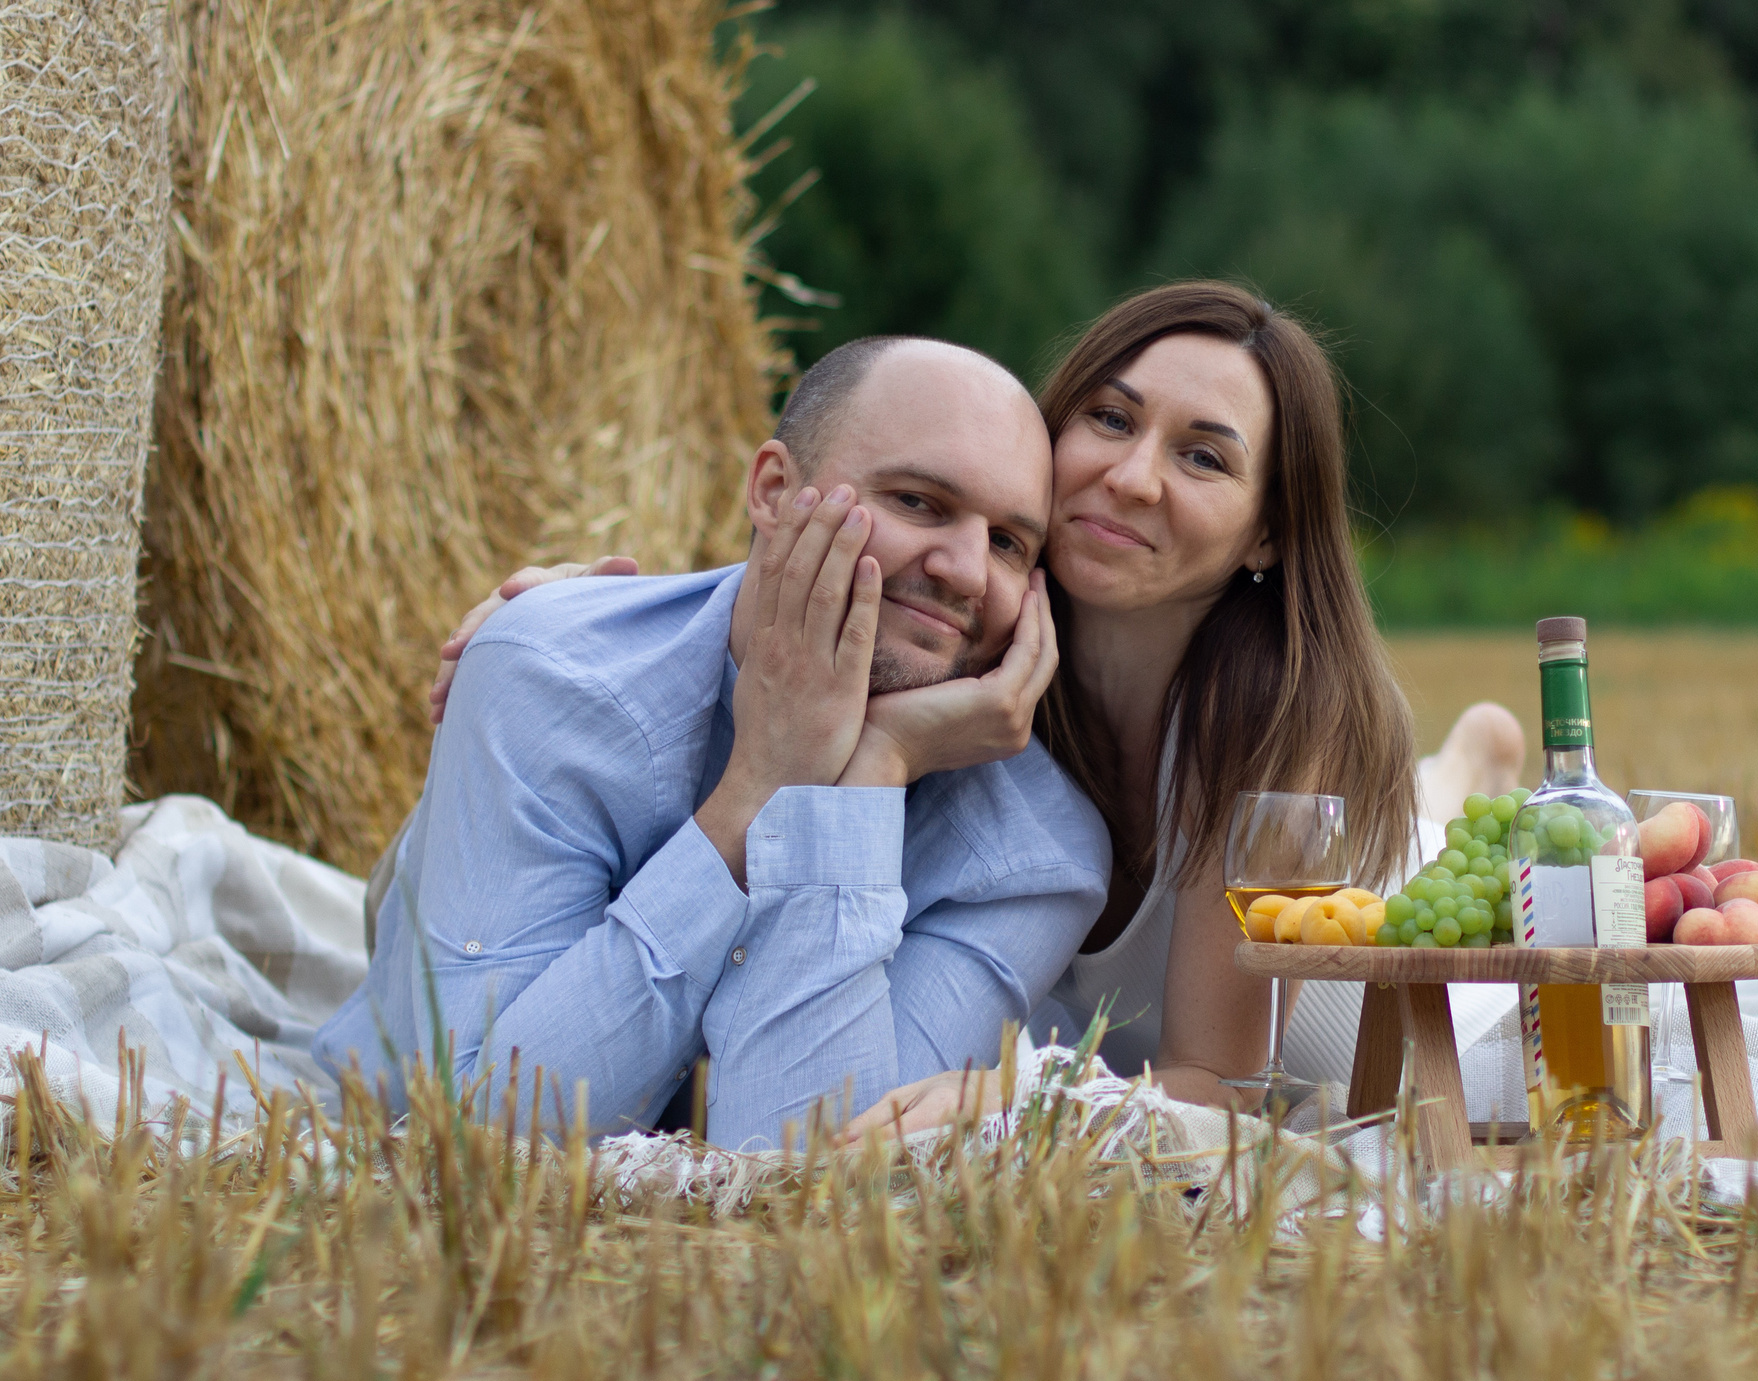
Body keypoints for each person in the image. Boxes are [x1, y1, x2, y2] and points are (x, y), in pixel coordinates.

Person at [430, 282, 1523, 1136]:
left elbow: (1217, 1083)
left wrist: (1014, 1098)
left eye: (1202, 456)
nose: (1132, 477)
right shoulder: (966, 641)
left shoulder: (1272, 716)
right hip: (1065, 1028)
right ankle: (1449, 772)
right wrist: (577, 620)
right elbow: (815, 573)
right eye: (1109, 418)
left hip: (1352, 1034)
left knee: (1419, 895)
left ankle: (1452, 782)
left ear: (1270, 532)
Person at [322, 337, 1109, 1149]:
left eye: (1010, 543)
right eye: (918, 501)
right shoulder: (553, 672)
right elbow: (482, 1136)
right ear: (773, 490)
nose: (968, 571)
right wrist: (757, 789)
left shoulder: (1035, 859)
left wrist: (871, 771)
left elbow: (806, 1168)